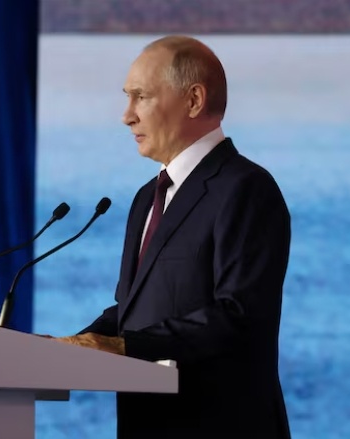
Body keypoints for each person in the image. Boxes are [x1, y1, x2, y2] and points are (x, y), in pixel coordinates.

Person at [53, 35, 292, 439]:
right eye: (127, 98)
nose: (127, 116)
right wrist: (65, 347)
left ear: (193, 100)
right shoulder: (147, 197)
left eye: (141, 97)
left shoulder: (246, 188)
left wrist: (125, 348)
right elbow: (131, 312)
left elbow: (238, 315)